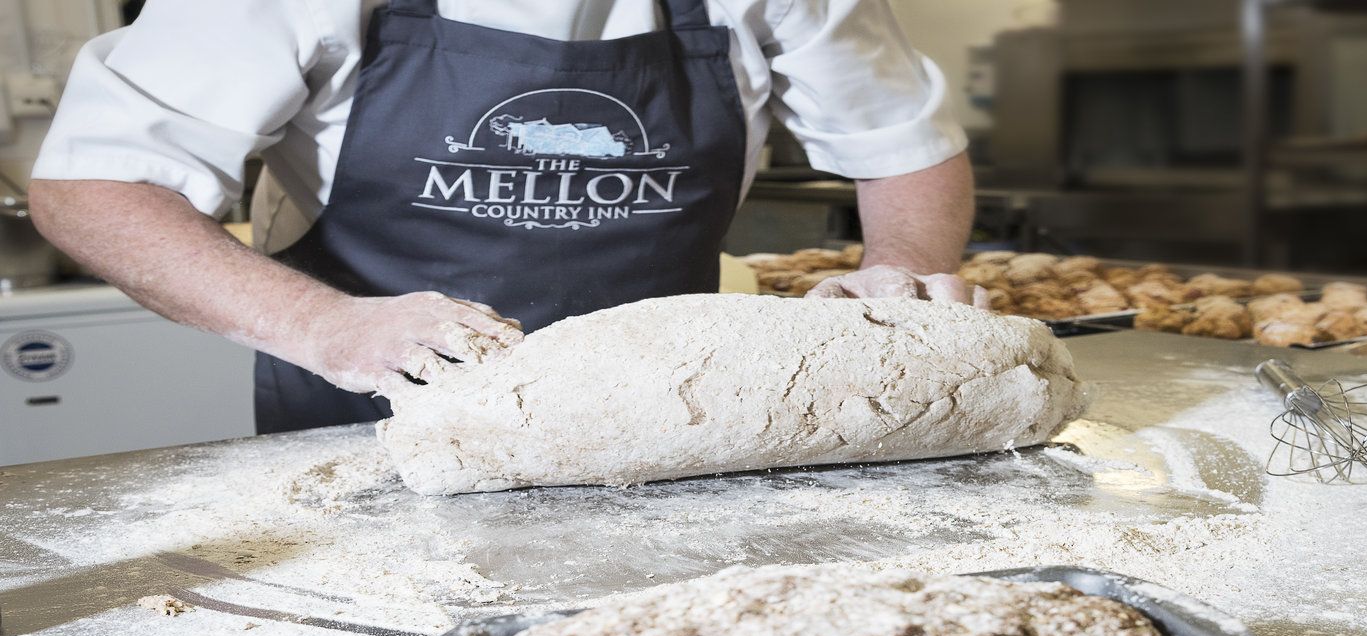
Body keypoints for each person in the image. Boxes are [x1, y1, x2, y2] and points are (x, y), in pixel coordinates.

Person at [28, 0, 978, 434]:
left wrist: (899, 263)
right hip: (368, 416)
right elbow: (93, 187)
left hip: (671, 420)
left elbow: (904, 143)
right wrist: (324, 326)